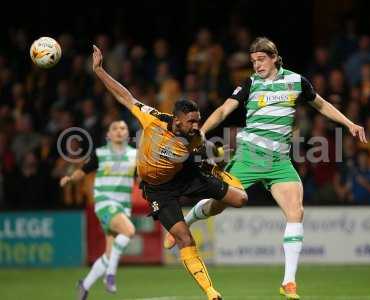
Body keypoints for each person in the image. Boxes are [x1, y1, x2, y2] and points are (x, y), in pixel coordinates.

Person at [165, 37, 367, 300]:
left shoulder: (296, 81)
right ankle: (189, 219)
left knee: (296, 212)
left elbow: (321, 103)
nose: (256, 65)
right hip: (249, 156)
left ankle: (288, 283)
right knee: (218, 205)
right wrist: (201, 131)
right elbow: (226, 109)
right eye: (253, 61)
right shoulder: (250, 84)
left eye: (261, 60)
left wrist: (349, 123)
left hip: (279, 162)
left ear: (274, 57)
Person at [92, 45, 247, 300]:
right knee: (185, 239)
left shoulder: (195, 137)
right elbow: (126, 97)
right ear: (176, 120)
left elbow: (207, 151)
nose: (197, 125)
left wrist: (220, 156)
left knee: (241, 199)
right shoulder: (153, 119)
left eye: (198, 120)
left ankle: (194, 215)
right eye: (192, 121)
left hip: (188, 175)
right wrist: (99, 71)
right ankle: (211, 292)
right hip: (159, 190)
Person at [59, 120, 137, 299]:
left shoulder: (135, 155)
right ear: (108, 135)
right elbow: (84, 171)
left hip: (123, 207)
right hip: (105, 202)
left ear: (127, 134)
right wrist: (70, 178)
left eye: (123, 128)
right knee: (129, 230)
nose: (119, 131)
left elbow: (141, 178)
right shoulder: (100, 153)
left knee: (109, 254)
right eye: (115, 128)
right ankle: (110, 275)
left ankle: (84, 285)